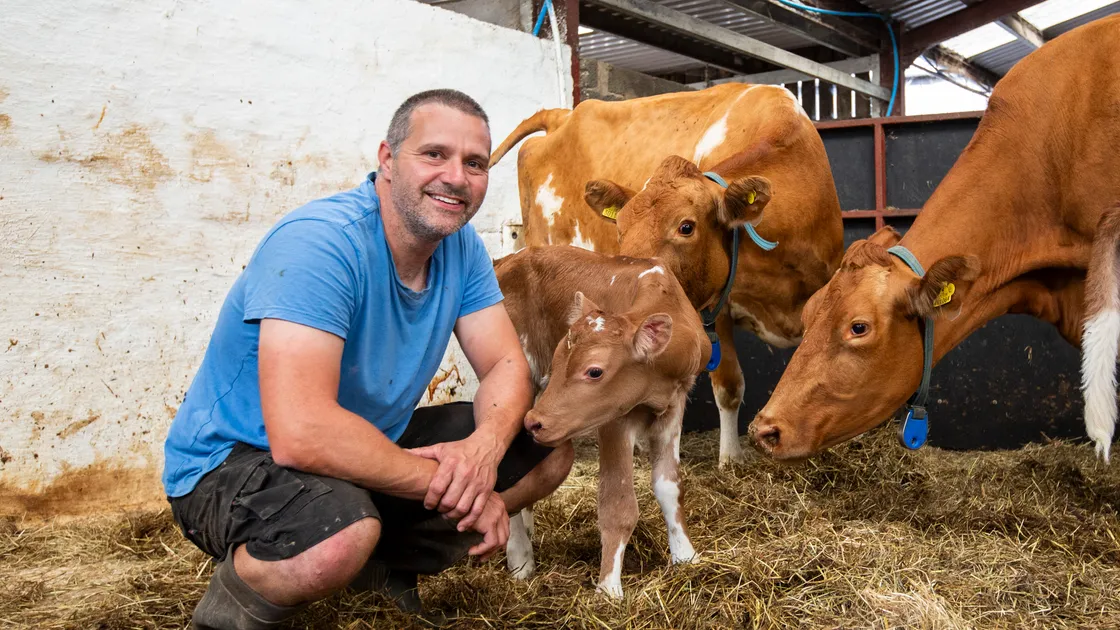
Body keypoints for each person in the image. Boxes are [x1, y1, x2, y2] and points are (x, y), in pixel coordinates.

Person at [161, 88, 575, 629]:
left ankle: (384, 571)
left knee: (545, 448)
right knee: (338, 534)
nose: (456, 176)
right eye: (434, 154)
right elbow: (301, 431)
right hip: (232, 462)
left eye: (475, 163)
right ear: (386, 159)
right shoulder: (319, 244)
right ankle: (225, 616)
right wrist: (455, 486)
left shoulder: (462, 248)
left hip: (362, 444)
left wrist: (483, 451)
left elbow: (505, 366)